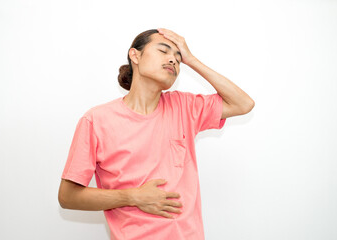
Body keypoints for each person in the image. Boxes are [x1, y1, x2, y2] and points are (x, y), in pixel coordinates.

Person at [58, 28, 254, 240]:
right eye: (163, 51)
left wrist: (192, 60)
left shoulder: (184, 107)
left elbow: (243, 104)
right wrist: (133, 196)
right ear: (135, 55)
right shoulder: (97, 120)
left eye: (178, 58)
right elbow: (68, 196)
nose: (173, 60)